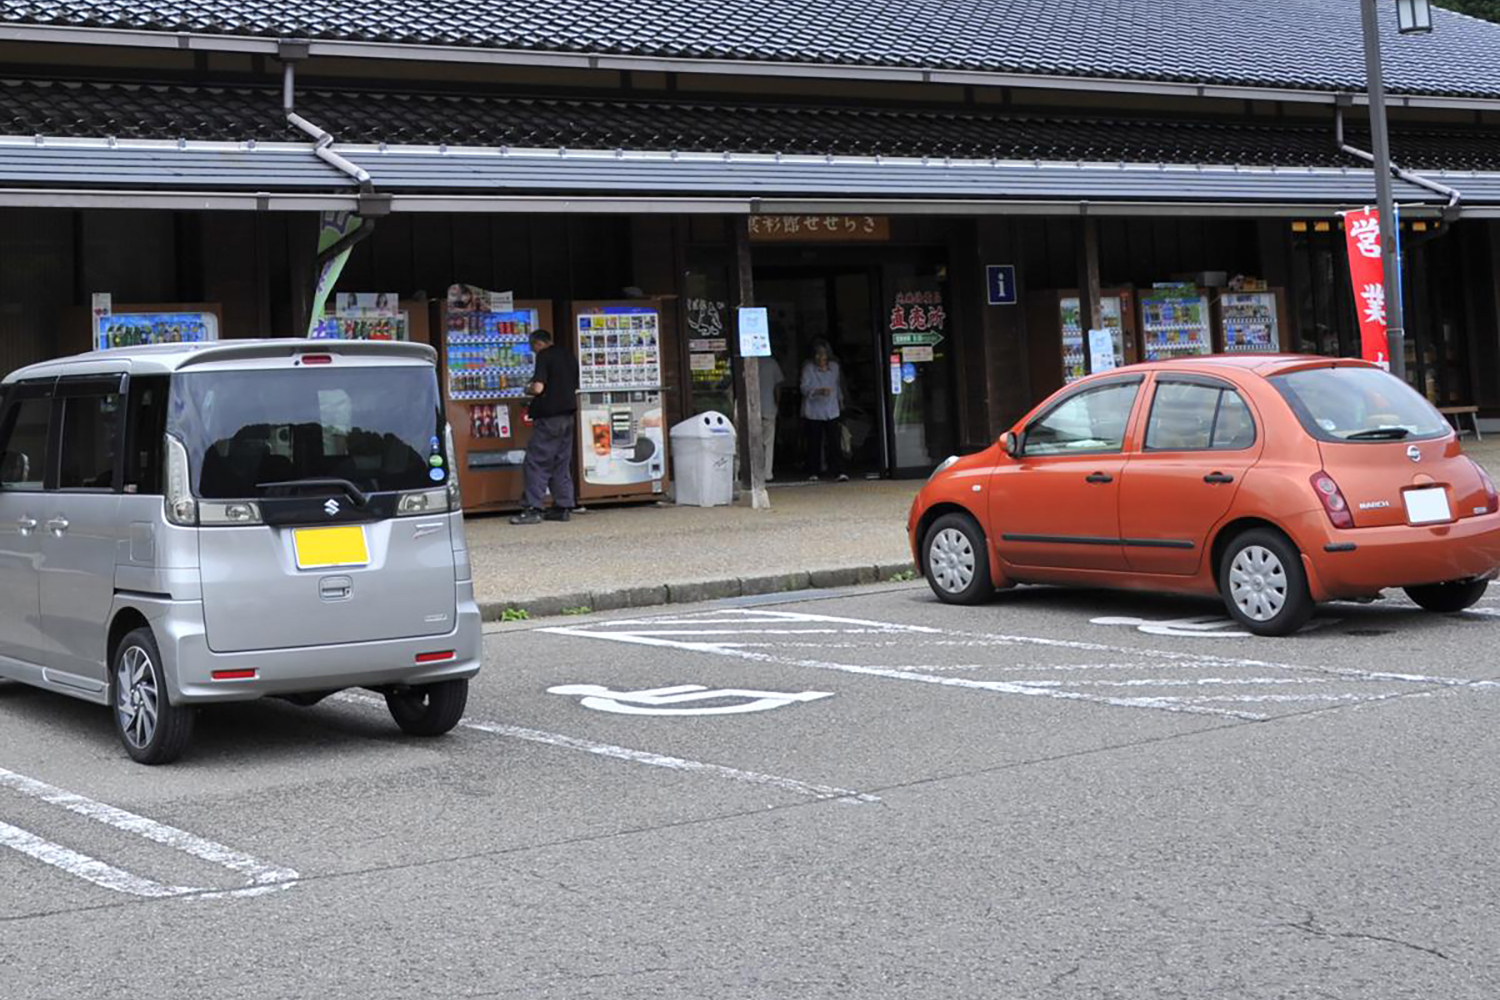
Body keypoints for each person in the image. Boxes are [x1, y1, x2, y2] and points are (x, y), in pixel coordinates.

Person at [511, 328, 579, 524]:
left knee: (536, 462)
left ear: (537, 344)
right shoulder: (567, 355)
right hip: (567, 417)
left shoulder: (544, 356)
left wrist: (527, 388)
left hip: (549, 419)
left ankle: (533, 508)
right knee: (561, 462)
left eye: (533, 347)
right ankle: (563, 506)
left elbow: (538, 387)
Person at [800, 338, 847, 482]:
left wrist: (841, 401)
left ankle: (838, 471)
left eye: (823, 354)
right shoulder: (808, 368)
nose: (820, 357)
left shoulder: (834, 368)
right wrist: (817, 391)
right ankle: (814, 471)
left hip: (832, 409)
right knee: (814, 442)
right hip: (814, 411)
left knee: (834, 442)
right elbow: (803, 388)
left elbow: (837, 386)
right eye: (817, 354)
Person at [758, 352, 784, 481]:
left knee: (751, 442)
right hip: (769, 407)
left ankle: (753, 472)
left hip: (753, 409)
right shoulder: (772, 363)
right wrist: (777, 404)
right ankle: (767, 473)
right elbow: (778, 386)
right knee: (768, 443)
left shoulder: (749, 361)